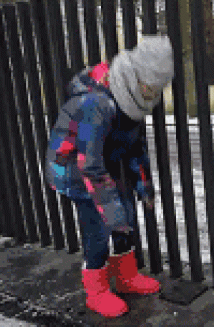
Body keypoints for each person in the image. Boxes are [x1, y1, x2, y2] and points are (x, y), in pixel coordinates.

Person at [45, 36, 174, 318]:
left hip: (106, 162)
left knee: (125, 216)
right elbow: (89, 165)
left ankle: (126, 276)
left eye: (158, 88)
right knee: (99, 231)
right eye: (150, 86)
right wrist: (111, 212)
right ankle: (97, 290)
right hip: (75, 170)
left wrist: (144, 187)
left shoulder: (135, 98)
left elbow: (136, 147)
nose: (153, 94)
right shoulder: (96, 103)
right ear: (136, 76)